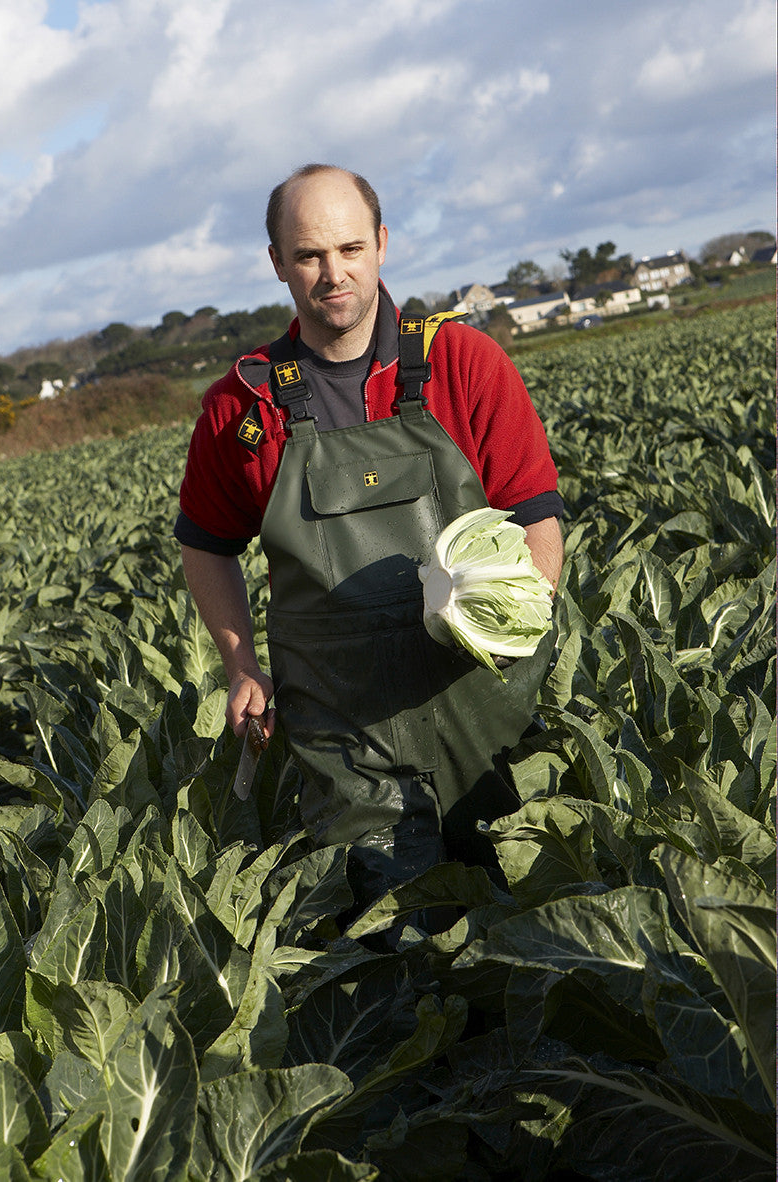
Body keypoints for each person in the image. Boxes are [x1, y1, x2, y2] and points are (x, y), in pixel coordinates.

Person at [175, 164, 563, 910]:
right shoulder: (242, 407)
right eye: (310, 255)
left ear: (381, 244)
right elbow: (206, 544)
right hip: (345, 739)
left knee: (533, 920)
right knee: (389, 951)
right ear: (278, 264)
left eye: (350, 248)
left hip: (485, 708)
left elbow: (535, 513)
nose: (333, 273)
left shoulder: (463, 363)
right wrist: (241, 666)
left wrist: (524, 623)